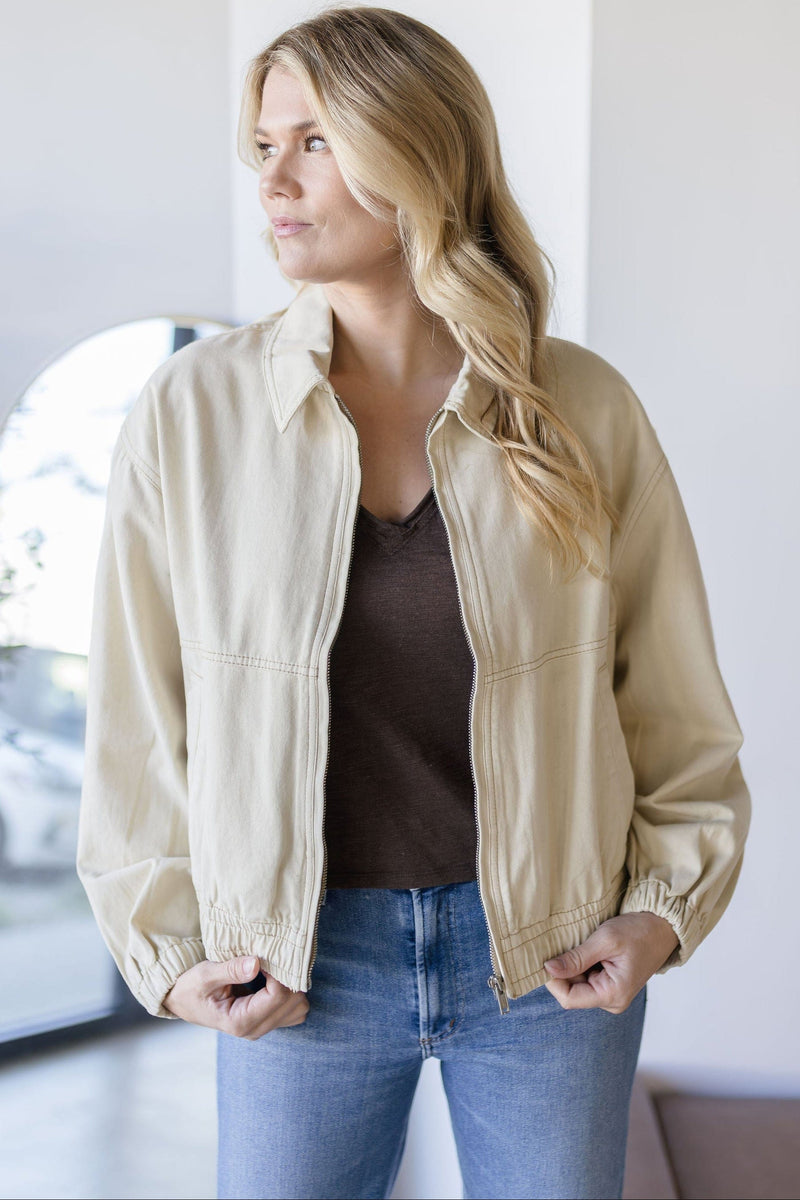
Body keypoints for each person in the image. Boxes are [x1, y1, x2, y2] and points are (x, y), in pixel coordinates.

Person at [76, 7, 752, 1199]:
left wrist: (659, 909)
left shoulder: (578, 409)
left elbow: (673, 706)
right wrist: (167, 949)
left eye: (314, 141)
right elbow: (138, 715)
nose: (273, 180)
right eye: (263, 146)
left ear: (418, 150)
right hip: (296, 965)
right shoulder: (192, 413)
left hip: (548, 962)